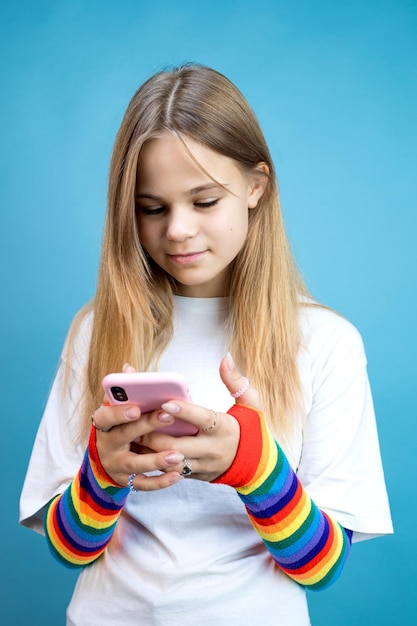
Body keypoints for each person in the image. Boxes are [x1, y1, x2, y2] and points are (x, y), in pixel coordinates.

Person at [19, 63, 393, 626]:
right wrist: (105, 472)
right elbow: (69, 551)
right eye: (152, 208)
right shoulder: (97, 330)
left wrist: (253, 465)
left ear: (255, 187)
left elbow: (320, 567)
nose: (176, 230)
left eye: (203, 201)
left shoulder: (326, 343)